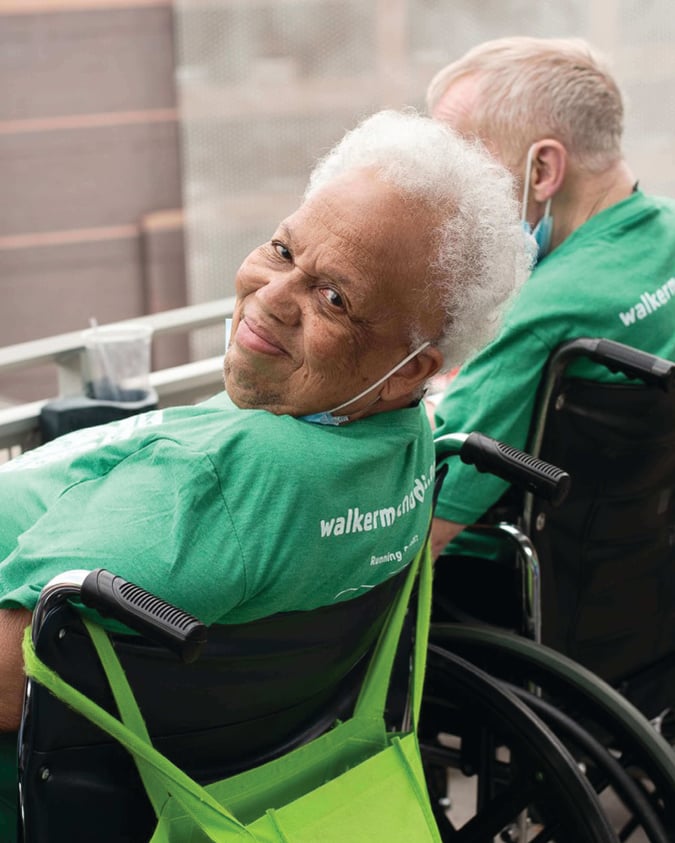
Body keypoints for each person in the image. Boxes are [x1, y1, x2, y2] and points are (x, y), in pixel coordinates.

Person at [0, 108, 529, 837]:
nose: (272, 298)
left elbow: (11, 684)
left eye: (335, 299)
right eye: (282, 250)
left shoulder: (220, 485)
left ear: (411, 369)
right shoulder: (400, 442)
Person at [426, 36, 675, 561]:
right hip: (635, 570)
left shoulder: (540, 312)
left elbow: (426, 524)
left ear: (542, 170)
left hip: (495, 582)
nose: (451, 196)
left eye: (465, 168)